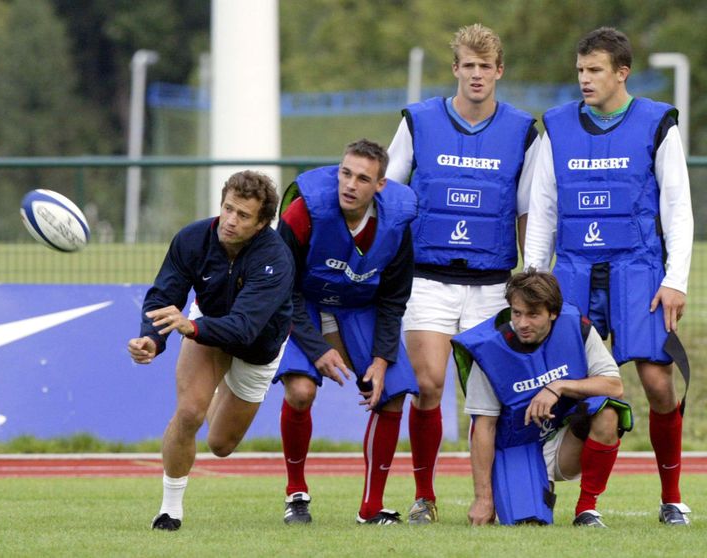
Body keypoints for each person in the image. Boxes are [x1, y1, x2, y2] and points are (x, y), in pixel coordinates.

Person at [524, 27, 693, 525]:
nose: (585, 79)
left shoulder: (657, 122)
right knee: (579, 385)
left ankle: (672, 497)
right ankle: (582, 503)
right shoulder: (557, 125)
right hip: (574, 271)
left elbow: (678, 207)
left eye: (595, 70)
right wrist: (534, 279)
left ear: (622, 72)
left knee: (659, 383)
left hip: (639, 269)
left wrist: (676, 278)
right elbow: (544, 208)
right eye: (580, 70)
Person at [385, 23, 540, 524]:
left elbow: (526, 211)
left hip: (493, 284)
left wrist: (531, 276)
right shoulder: (418, 120)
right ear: (455, 69)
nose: (476, 75)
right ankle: (424, 497)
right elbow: (387, 195)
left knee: (494, 397)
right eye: (467, 66)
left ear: (500, 71)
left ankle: (494, 498)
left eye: (485, 67)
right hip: (427, 279)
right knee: (429, 383)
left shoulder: (523, 130)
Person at [127, 171, 294, 531]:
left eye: (243, 215)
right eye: (228, 209)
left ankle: (220, 388)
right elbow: (163, 297)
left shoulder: (276, 259)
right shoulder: (192, 238)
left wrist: (192, 327)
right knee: (189, 413)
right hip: (207, 328)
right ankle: (169, 510)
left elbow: (246, 326)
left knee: (221, 444)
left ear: (263, 223)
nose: (231, 221)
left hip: (258, 344)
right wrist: (151, 340)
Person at [273, 139, 418, 525]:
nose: (350, 184)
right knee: (300, 391)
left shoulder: (397, 223)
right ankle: (296, 492)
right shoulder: (303, 211)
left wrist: (383, 359)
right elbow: (282, 290)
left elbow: (393, 298)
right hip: (305, 301)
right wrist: (318, 348)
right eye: (345, 173)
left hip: (361, 306)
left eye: (363, 178)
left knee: (390, 395)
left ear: (381, 185)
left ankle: (371, 508)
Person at [452, 269, 632, 527]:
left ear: (553, 313)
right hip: (515, 448)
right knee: (527, 522)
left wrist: (557, 386)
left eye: (533, 314)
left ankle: (586, 510)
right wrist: (483, 498)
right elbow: (484, 426)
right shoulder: (490, 351)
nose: (523, 323)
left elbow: (614, 386)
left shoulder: (577, 328)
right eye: (517, 313)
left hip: (564, 442)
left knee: (608, 411)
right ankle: (529, 486)